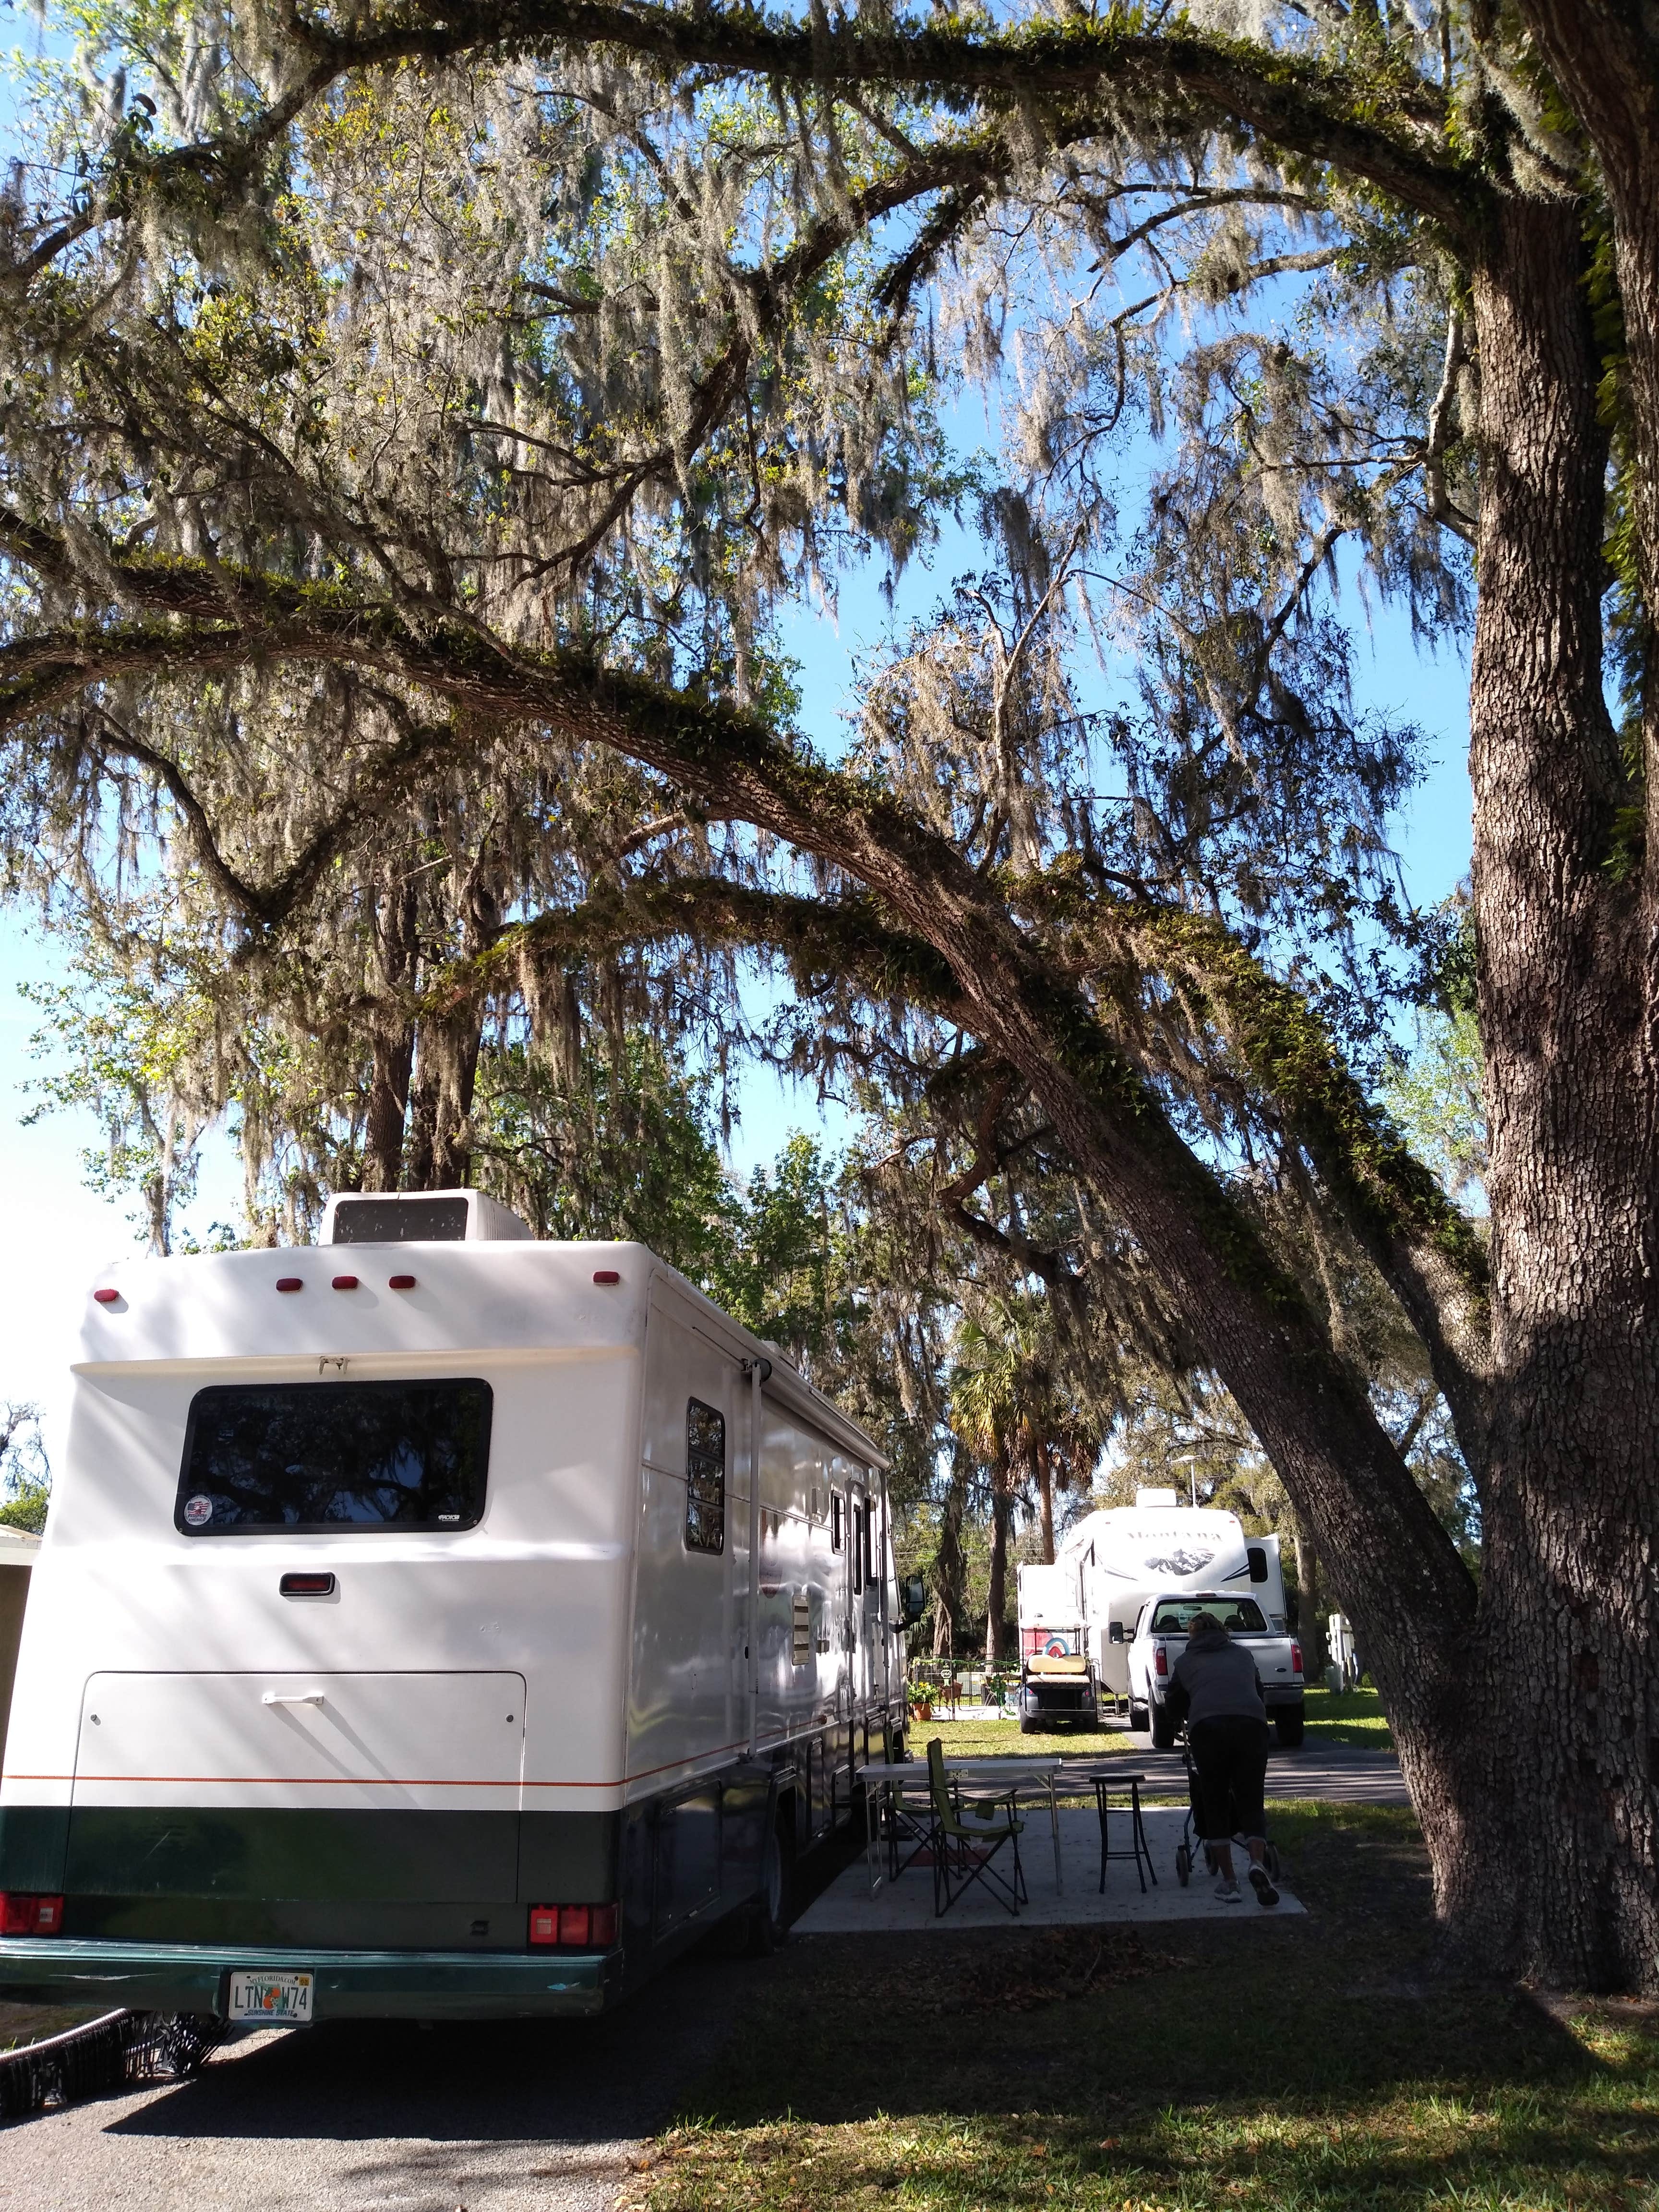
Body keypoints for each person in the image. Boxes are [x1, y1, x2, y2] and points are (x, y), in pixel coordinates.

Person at [1164, 1609, 1278, 1906]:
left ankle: (1230, 1883)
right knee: (1252, 1801)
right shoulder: (1242, 1656)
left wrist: (1179, 1718)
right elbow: (1258, 1691)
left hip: (1209, 1730)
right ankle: (1256, 1864)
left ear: (1193, 1635)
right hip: (1252, 1727)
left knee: (1214, 1803)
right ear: (1222, 1631)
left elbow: (1173, 1705)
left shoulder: (1185, 1662)